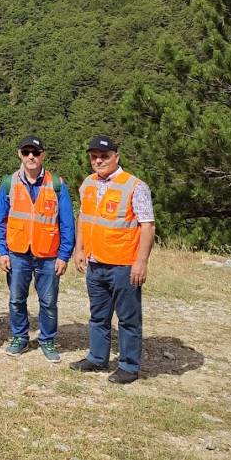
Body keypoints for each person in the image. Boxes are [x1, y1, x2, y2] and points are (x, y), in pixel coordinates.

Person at [70, 135, 156, 384]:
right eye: (94, 156)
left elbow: (147, 226)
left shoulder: (134, 186)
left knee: (128, 318)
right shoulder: (87, 183)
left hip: (124, 264)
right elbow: (83, 218)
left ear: (116, 157)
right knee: (98, 315)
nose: (99, 161)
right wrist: (79, 249)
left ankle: (129, 366)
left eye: (104, 156)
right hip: (95, 262)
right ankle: (97, 358)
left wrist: (141, 262)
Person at [0, 135, 74, 363]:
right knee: (17, 299)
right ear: (20, 154)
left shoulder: (56, 184)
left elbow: (67, 223)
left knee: (48, 302)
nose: (31, 157)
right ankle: (20, 336)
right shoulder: (9, 183)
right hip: (17, 253)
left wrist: (64, 255)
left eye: (35, 153)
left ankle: (47, 340)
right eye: (26, 152)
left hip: (48, 254)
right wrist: (2, 251)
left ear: (43, 155)